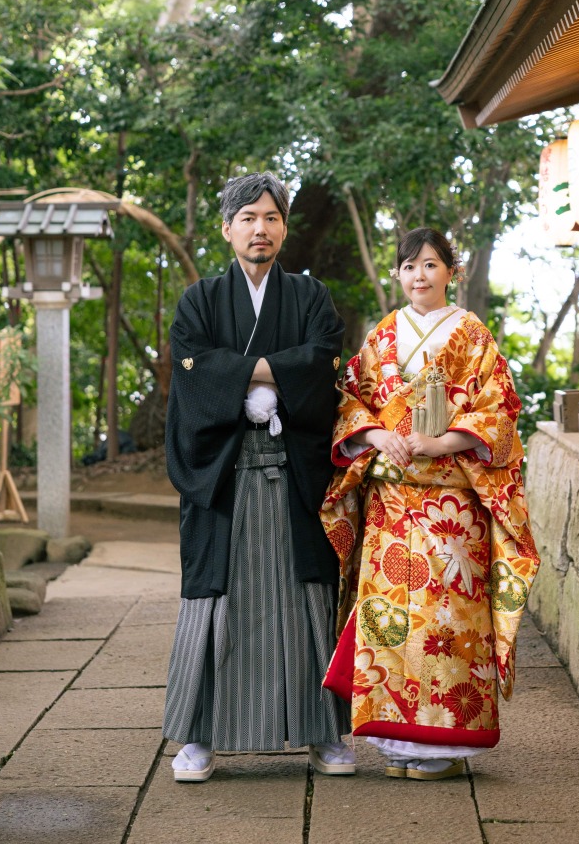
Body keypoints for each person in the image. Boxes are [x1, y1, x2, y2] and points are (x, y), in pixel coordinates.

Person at [319, 227, 539, 779]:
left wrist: (442, 443)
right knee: (389, 620)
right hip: (391, 502)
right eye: (410, 266)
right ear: (398, 274)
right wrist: (376, 434)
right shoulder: (382, 335)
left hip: (452, 505)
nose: (420, 275)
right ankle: (396, 743)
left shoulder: (473, 334)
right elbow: (350, 400)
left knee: (447, 620)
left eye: (431, 264)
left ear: (451, 272)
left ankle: (443, 744)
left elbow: (499, 408)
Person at [163, 171, 354, 782]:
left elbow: (322, 360)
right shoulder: (199, 300)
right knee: (215, 603)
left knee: (306, 600)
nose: (259, 229)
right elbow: (194, 369)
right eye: (247, 218)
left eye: (271, 217)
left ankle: (323, 733)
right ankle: (200, 736)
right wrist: (274, 370)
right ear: (227, 229)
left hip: (294, 475)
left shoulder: (309, 297)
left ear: (285, 229)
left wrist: (243, 369)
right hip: (224, 477)